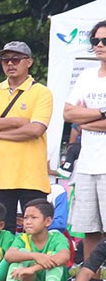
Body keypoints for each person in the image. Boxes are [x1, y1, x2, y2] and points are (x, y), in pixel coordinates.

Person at [0, 41, 53, 233]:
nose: (10, 63)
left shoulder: (41, 92)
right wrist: (17, 121)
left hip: (32, 175)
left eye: (16, 59)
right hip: (1, 175)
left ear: (29, 62)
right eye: (5, 59)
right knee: (2, 231)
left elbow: (35, 130)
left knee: (35, 230)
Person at [63, 19, 106, 260]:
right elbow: (68, 114)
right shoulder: (86, 76)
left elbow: (78, 118)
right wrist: (101, 113)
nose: (99, 45)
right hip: (87, 165)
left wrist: (85, 120)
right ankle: (92, 278)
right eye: (95, 40)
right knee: (90, 229)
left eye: (105, 41)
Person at [0, 198, 70, 281]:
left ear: (48, 221)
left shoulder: (57, 237)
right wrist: (35, 256)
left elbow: (64, 256)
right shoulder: (22, 238)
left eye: (33, 218)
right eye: (25, 218)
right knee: (20, 253)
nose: (28, 222)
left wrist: (33, 269)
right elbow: (9, 255)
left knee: (54, 257)